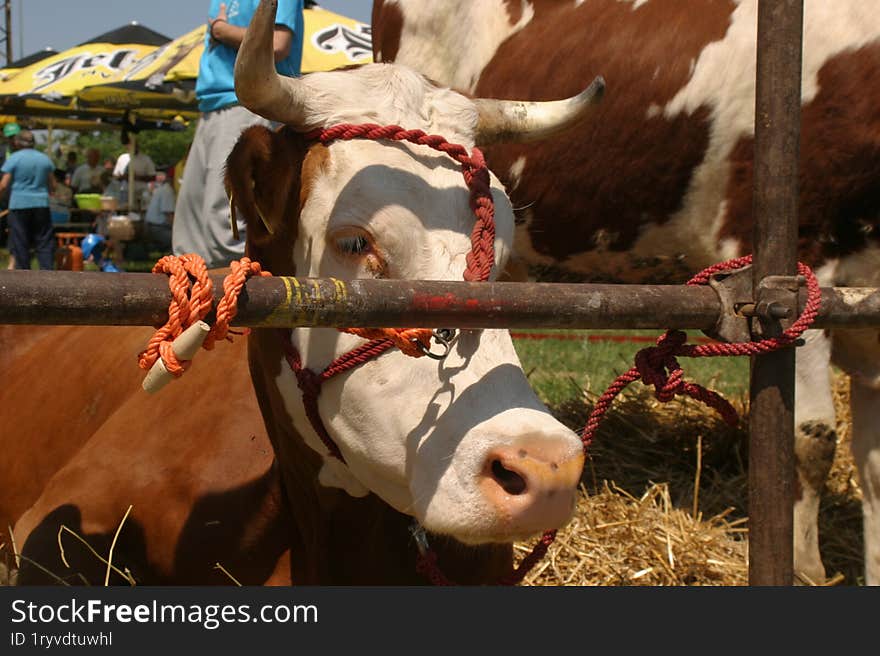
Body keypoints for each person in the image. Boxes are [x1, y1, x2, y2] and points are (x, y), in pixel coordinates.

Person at [172, 0, 304, 269]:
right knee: (191, 229)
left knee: (226, 225)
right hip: (212, 105)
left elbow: (278, 44)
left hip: (247, 103)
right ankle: (194, 302)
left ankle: (237, 302)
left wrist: (221, 30)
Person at [0, 129, 57, 270]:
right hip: (41, 204)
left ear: (17, 143)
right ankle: (47, 274)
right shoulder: (44, 158)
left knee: (20, 241)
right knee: (44, 241)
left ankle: (24, 275)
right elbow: (53, 185)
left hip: (19, 204)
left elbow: (3, 185)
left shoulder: (14, 158)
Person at [145, 168, 175, 252]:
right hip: (157, 229)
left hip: (152, 227)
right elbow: (169, 215)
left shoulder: (163, 189)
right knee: (183, 238)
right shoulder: (167, 191)